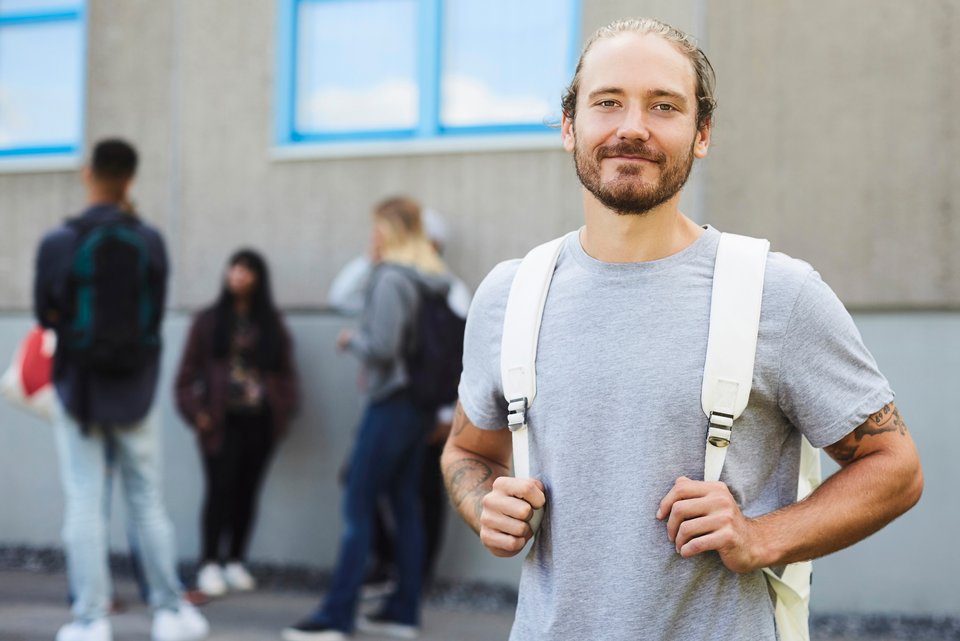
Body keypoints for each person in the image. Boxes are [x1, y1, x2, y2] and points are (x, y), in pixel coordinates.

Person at [441, 18, 923, 641]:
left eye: (663, 106)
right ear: (569, 126)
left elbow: (896, 466)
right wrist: (486, 506)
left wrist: (762, 535)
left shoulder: (777, 295)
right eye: (607, 102)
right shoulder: (510, 295)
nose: (632, 126)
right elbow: (468, 452)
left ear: (701, 134)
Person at [33, 138, 209, 641]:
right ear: (130, 178)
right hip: (136, 388)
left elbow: (47, 312)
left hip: (78, 389)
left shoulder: (59, 241)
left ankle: (91, 620)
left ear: (89, 174)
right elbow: (153, 313)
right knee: (146, 498)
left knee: (85, 500)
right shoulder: (149, 240)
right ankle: (171, 611)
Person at [284, 196, 456, 641]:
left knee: (357, 505)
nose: (371, 236)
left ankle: (336, 616)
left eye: (376, 228)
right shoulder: (431, 280)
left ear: (388, 231)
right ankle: (403, 612)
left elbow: (382, 346)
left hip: (392, 404)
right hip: (418, 407)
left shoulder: (391, 279)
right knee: (404, 504)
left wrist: (350, 340)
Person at [328, 208, 471, 595]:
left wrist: (448, 415)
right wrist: (370, 256)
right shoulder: (402, 277)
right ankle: (399, 583)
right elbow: (340, 297)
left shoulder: (435, 285)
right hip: (410, 404)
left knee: (412, 495)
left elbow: (456, 356)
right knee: (401, 496)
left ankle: (408, 582)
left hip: (412, 405)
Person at [174, 249, 299, 597]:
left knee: (247, 492)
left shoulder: (271, 322)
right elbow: (184, 377)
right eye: (235, 268)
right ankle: (210, 562)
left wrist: (284, 411)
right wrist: (196, 414)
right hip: (218, 422)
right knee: (219, 491)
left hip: (259, 421)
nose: (239, 275)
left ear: (259, 278)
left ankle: (235, 561)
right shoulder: (208, 320)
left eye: (247, 270)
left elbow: (287, 375)